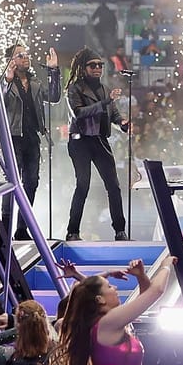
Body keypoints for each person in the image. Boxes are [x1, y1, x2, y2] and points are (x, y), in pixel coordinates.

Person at [63, 48, 128, 241]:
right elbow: (79, 113)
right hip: (80, 142)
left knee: (114, 186)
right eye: (93, 65)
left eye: (100, 65)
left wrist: (123, 122)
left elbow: (114, 113)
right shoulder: (74, 89)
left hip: (100, 140)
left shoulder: (104, 89)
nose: (98, 68)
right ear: (83, 68)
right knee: (83, 185)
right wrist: (105, 102)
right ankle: (72, 231)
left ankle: (120, 231)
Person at [3, 43, 61, 239]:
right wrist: (7, 82)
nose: (25, 58)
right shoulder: (4, 82)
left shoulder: (34, 82)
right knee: (12, 182)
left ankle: (21, 228)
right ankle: (4, 226)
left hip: (31, 137)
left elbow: (54, 97)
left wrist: (53, 71)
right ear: (11, 61)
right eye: (20, 55)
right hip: (13, 137)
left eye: (26, 54)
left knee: (31, 182)